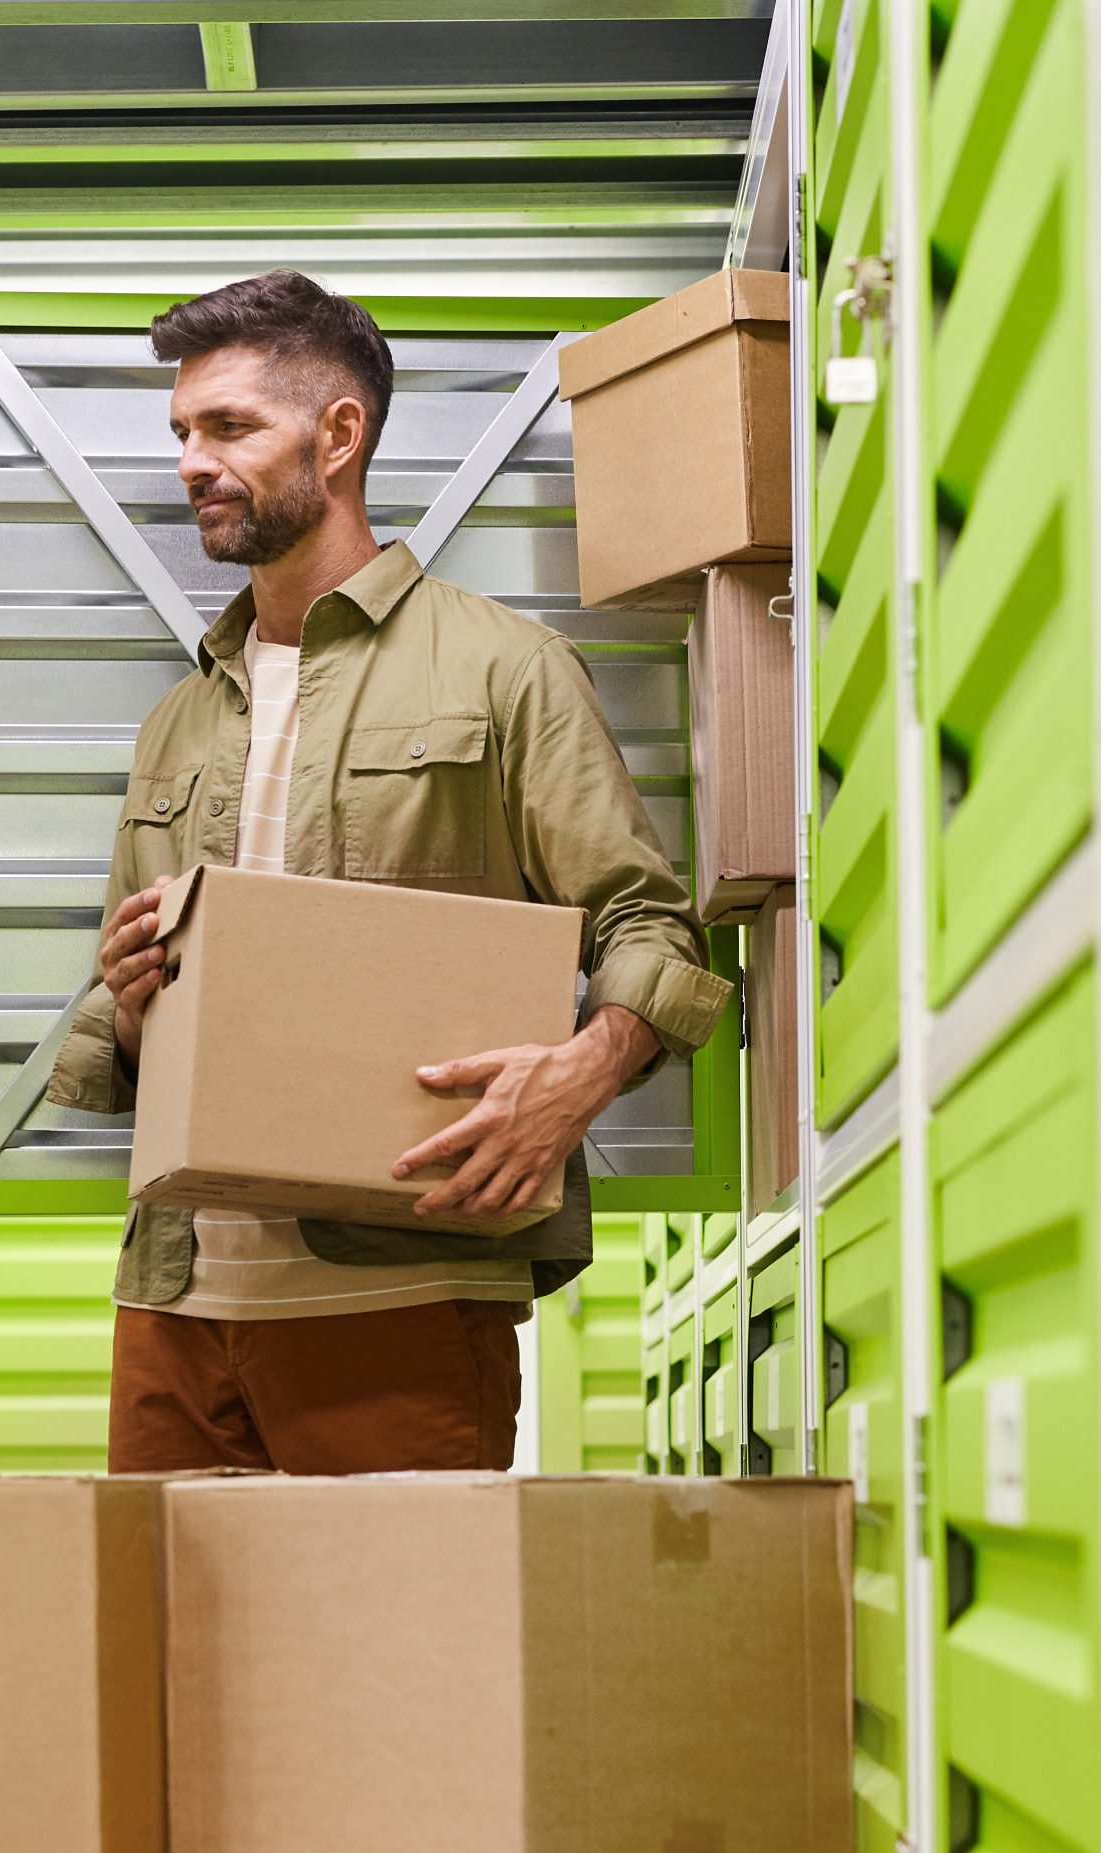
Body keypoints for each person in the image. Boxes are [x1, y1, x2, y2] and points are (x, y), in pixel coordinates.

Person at [47, 272, 730, 1474]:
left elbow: (647, 926)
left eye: (229, 427)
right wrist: (134, 994)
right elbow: (151, 1014)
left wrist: (581, 1072)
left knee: (399, 1665)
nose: (192, 462)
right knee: (169, 1664)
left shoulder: (503, 669)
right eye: (181, 434)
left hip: (399, 1290)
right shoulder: (175, 723)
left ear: (340, 434)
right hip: (173, 1299)